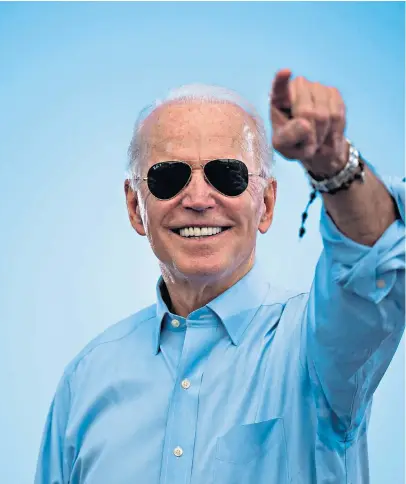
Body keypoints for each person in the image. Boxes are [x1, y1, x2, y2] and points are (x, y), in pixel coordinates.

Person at [34, 69, 405, 484]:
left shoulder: (316, 349)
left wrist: (334, 166)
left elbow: (375, 257)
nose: (196, 200)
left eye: (227, 175)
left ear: (265, 204)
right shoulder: (86, 379)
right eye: (168, 177)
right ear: (135, 207)